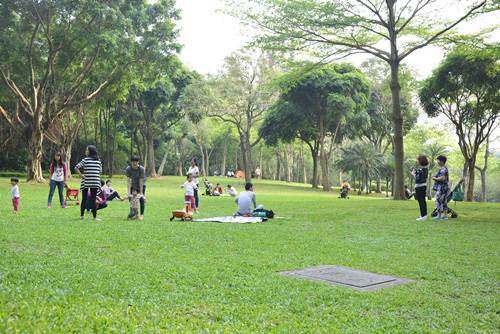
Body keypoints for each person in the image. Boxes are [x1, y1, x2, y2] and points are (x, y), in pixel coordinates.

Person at [75, 145, 102, 221]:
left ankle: (81, 216)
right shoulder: (98, 161)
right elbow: (100, 172)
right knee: (93, 199)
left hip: (86, 181)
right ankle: (94, 217)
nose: (85, 151)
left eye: (86, 150)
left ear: (90, 151)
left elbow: (76, 167)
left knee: (84, 198)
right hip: (95, 181)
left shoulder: (85, 160)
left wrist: (81, 175)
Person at [126, 155, 146, 220]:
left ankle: (141, 215)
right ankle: (136, 214)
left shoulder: (141, 169)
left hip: (142, 184)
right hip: (133, 184)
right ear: (131, 162)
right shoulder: (128, 169)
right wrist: (129, 193)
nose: (135, 163)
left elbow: (141, 181)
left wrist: (141, 192)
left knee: (141, 199)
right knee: (131, 198)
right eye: (133, 162)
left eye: (136, 162)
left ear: (138, 162)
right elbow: (128, 182)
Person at [431, 155, 449, 220]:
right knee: (444, 201)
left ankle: (439, 215)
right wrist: (435, 176)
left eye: (438, 160)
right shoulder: (445, 168)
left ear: (442, 161)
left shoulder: (442, 169)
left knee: (439, 200)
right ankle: (445, 215)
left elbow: (442, 178)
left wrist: (434, 179)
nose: (438, 162)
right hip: (445, 187)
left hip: (442, 187)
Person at [412, 155, 429, 221]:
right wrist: (415, 171)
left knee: (421, 201)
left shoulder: (421, 169)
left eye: (418, 160)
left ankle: (423, 216)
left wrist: (413, 174)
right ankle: (423, 215)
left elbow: (417, 178)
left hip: (419, 186)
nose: (417, 161)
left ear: (420, 161)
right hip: (424, 185)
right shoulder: (425, 169)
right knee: (423, 201)